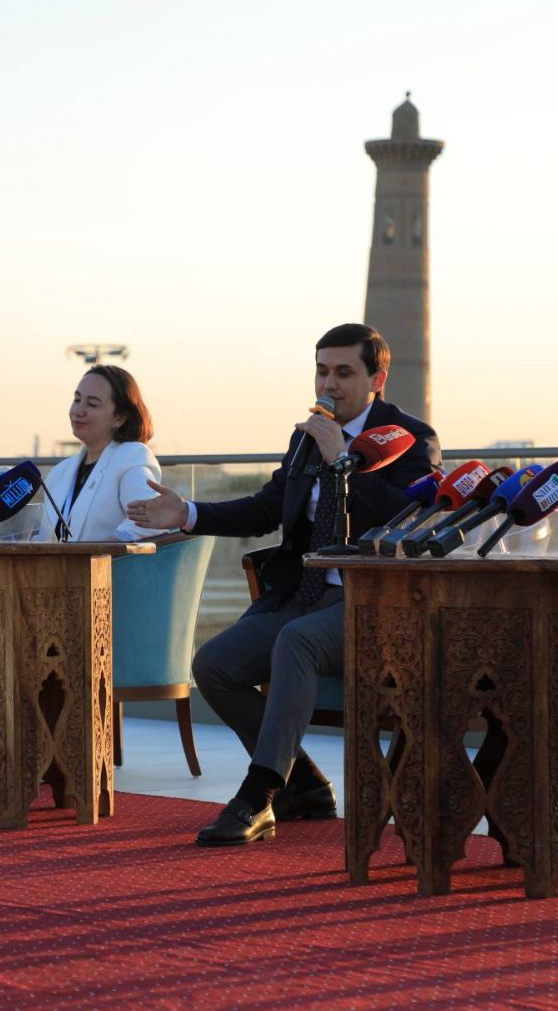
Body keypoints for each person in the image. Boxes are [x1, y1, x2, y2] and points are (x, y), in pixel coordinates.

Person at [125, 323, 439, 847]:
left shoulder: (409, 437)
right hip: (303, 594)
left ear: (377, 379)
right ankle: (305, 785)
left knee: (296, 642)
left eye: (344, 372)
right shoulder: (308, 436)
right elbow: (267, 509)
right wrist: (189, 512)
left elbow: (408, 518)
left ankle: (259, 795)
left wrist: (344, 462)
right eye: (322, 371)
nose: (329, 384)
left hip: (372, 601)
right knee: (214, 665)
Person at [36, 365, 166, 543]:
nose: (78, 410)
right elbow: (45, 537)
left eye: (92, 404)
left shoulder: (131, 457)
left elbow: (149, 521)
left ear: (119, 418)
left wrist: (103, 549)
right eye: (77, 400)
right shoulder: (59, 472)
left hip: (113, 561)